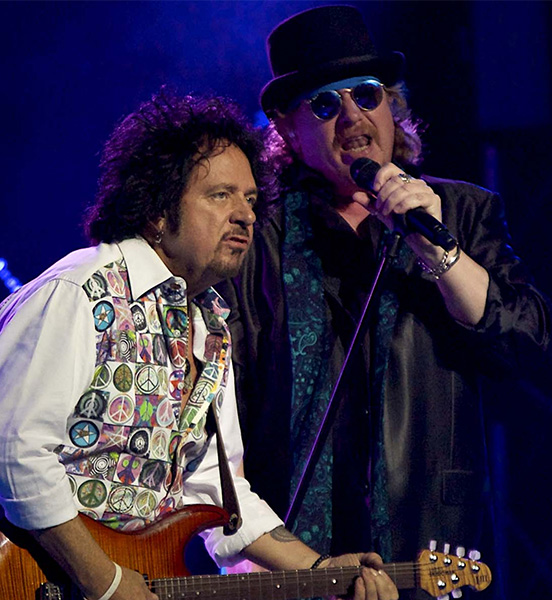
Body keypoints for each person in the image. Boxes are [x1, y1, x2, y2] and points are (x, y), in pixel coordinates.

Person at [0, 90, 398, 600]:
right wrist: (106, 581)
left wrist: (320, 568)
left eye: (251, 199)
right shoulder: (80, 292)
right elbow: (11, 452)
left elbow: (217, 492)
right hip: (21, 580)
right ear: (157, 211)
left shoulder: (210, 329)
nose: (247, 216)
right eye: (221, 195)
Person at [217, 6, 551, 599]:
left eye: (367, 95)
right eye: (326, 104)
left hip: (429, 546)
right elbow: (216, 404)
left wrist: (436, 250)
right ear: (287, 129)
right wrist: (239, 540)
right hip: (291, 551)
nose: (353, 117)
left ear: (392, 106)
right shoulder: (256, 233)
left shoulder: (462, 212)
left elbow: (524, 343)